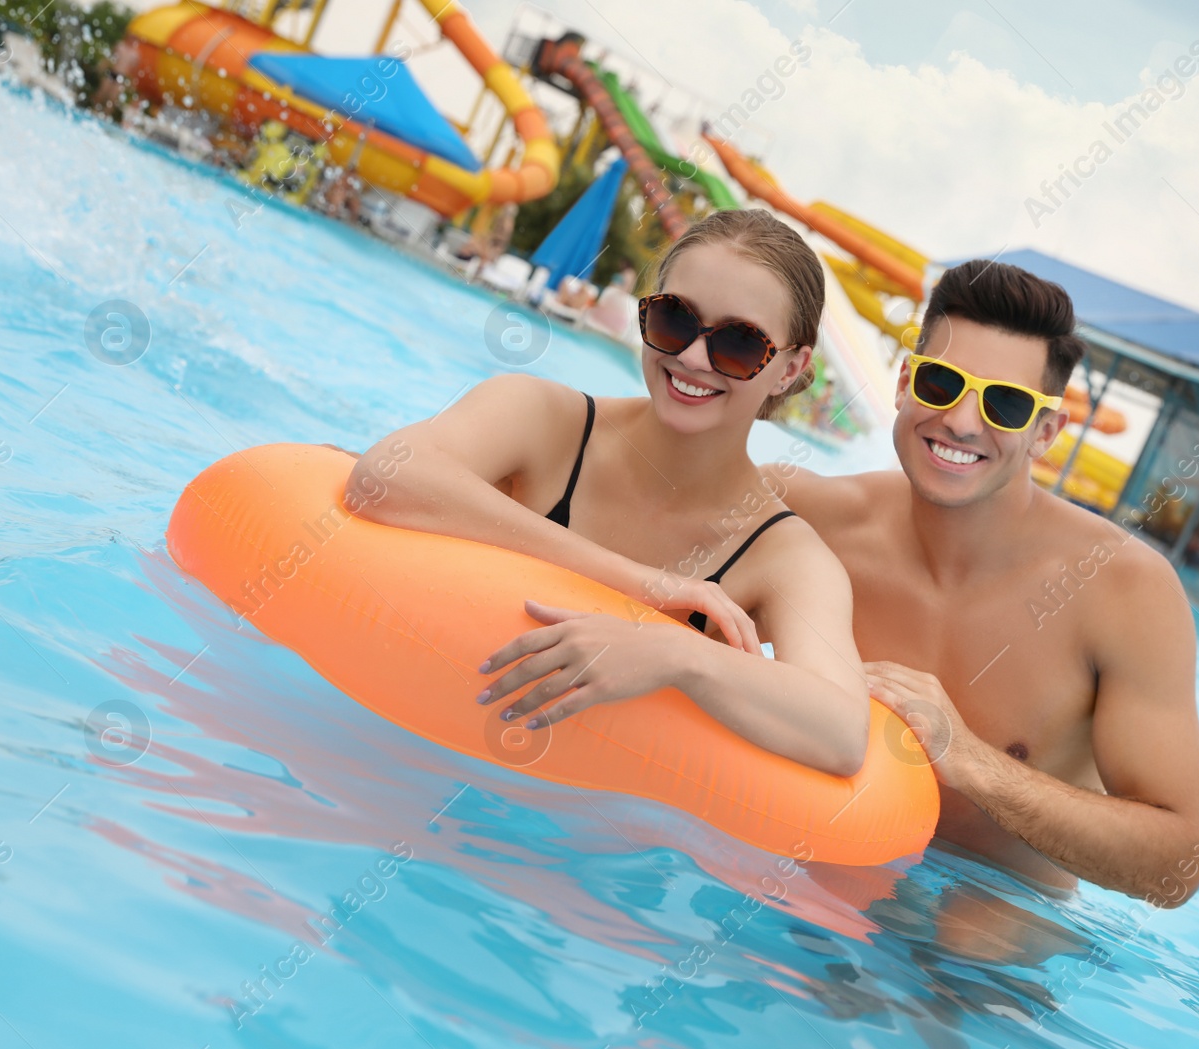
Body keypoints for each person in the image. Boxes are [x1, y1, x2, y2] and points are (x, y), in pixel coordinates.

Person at [346, 210, 869, 776]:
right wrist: (646, 586)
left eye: (740, 343)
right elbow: (381, 478)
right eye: (675, 319)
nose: (692, 358)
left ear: (791, 369)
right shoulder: (542, 420)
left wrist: (678, 652)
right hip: (412, 750)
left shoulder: (782, 555)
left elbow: (841, 734)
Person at [771, 260, 1199, 905]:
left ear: (1045, 433)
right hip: (806, 894)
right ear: (904, 382)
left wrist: (972, 761)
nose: (962, 422)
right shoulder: (807, 518)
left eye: (1006, 403)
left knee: (979, 933)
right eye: (943, 382)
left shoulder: (1123, 591)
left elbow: (1176, 869)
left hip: (977, 965)